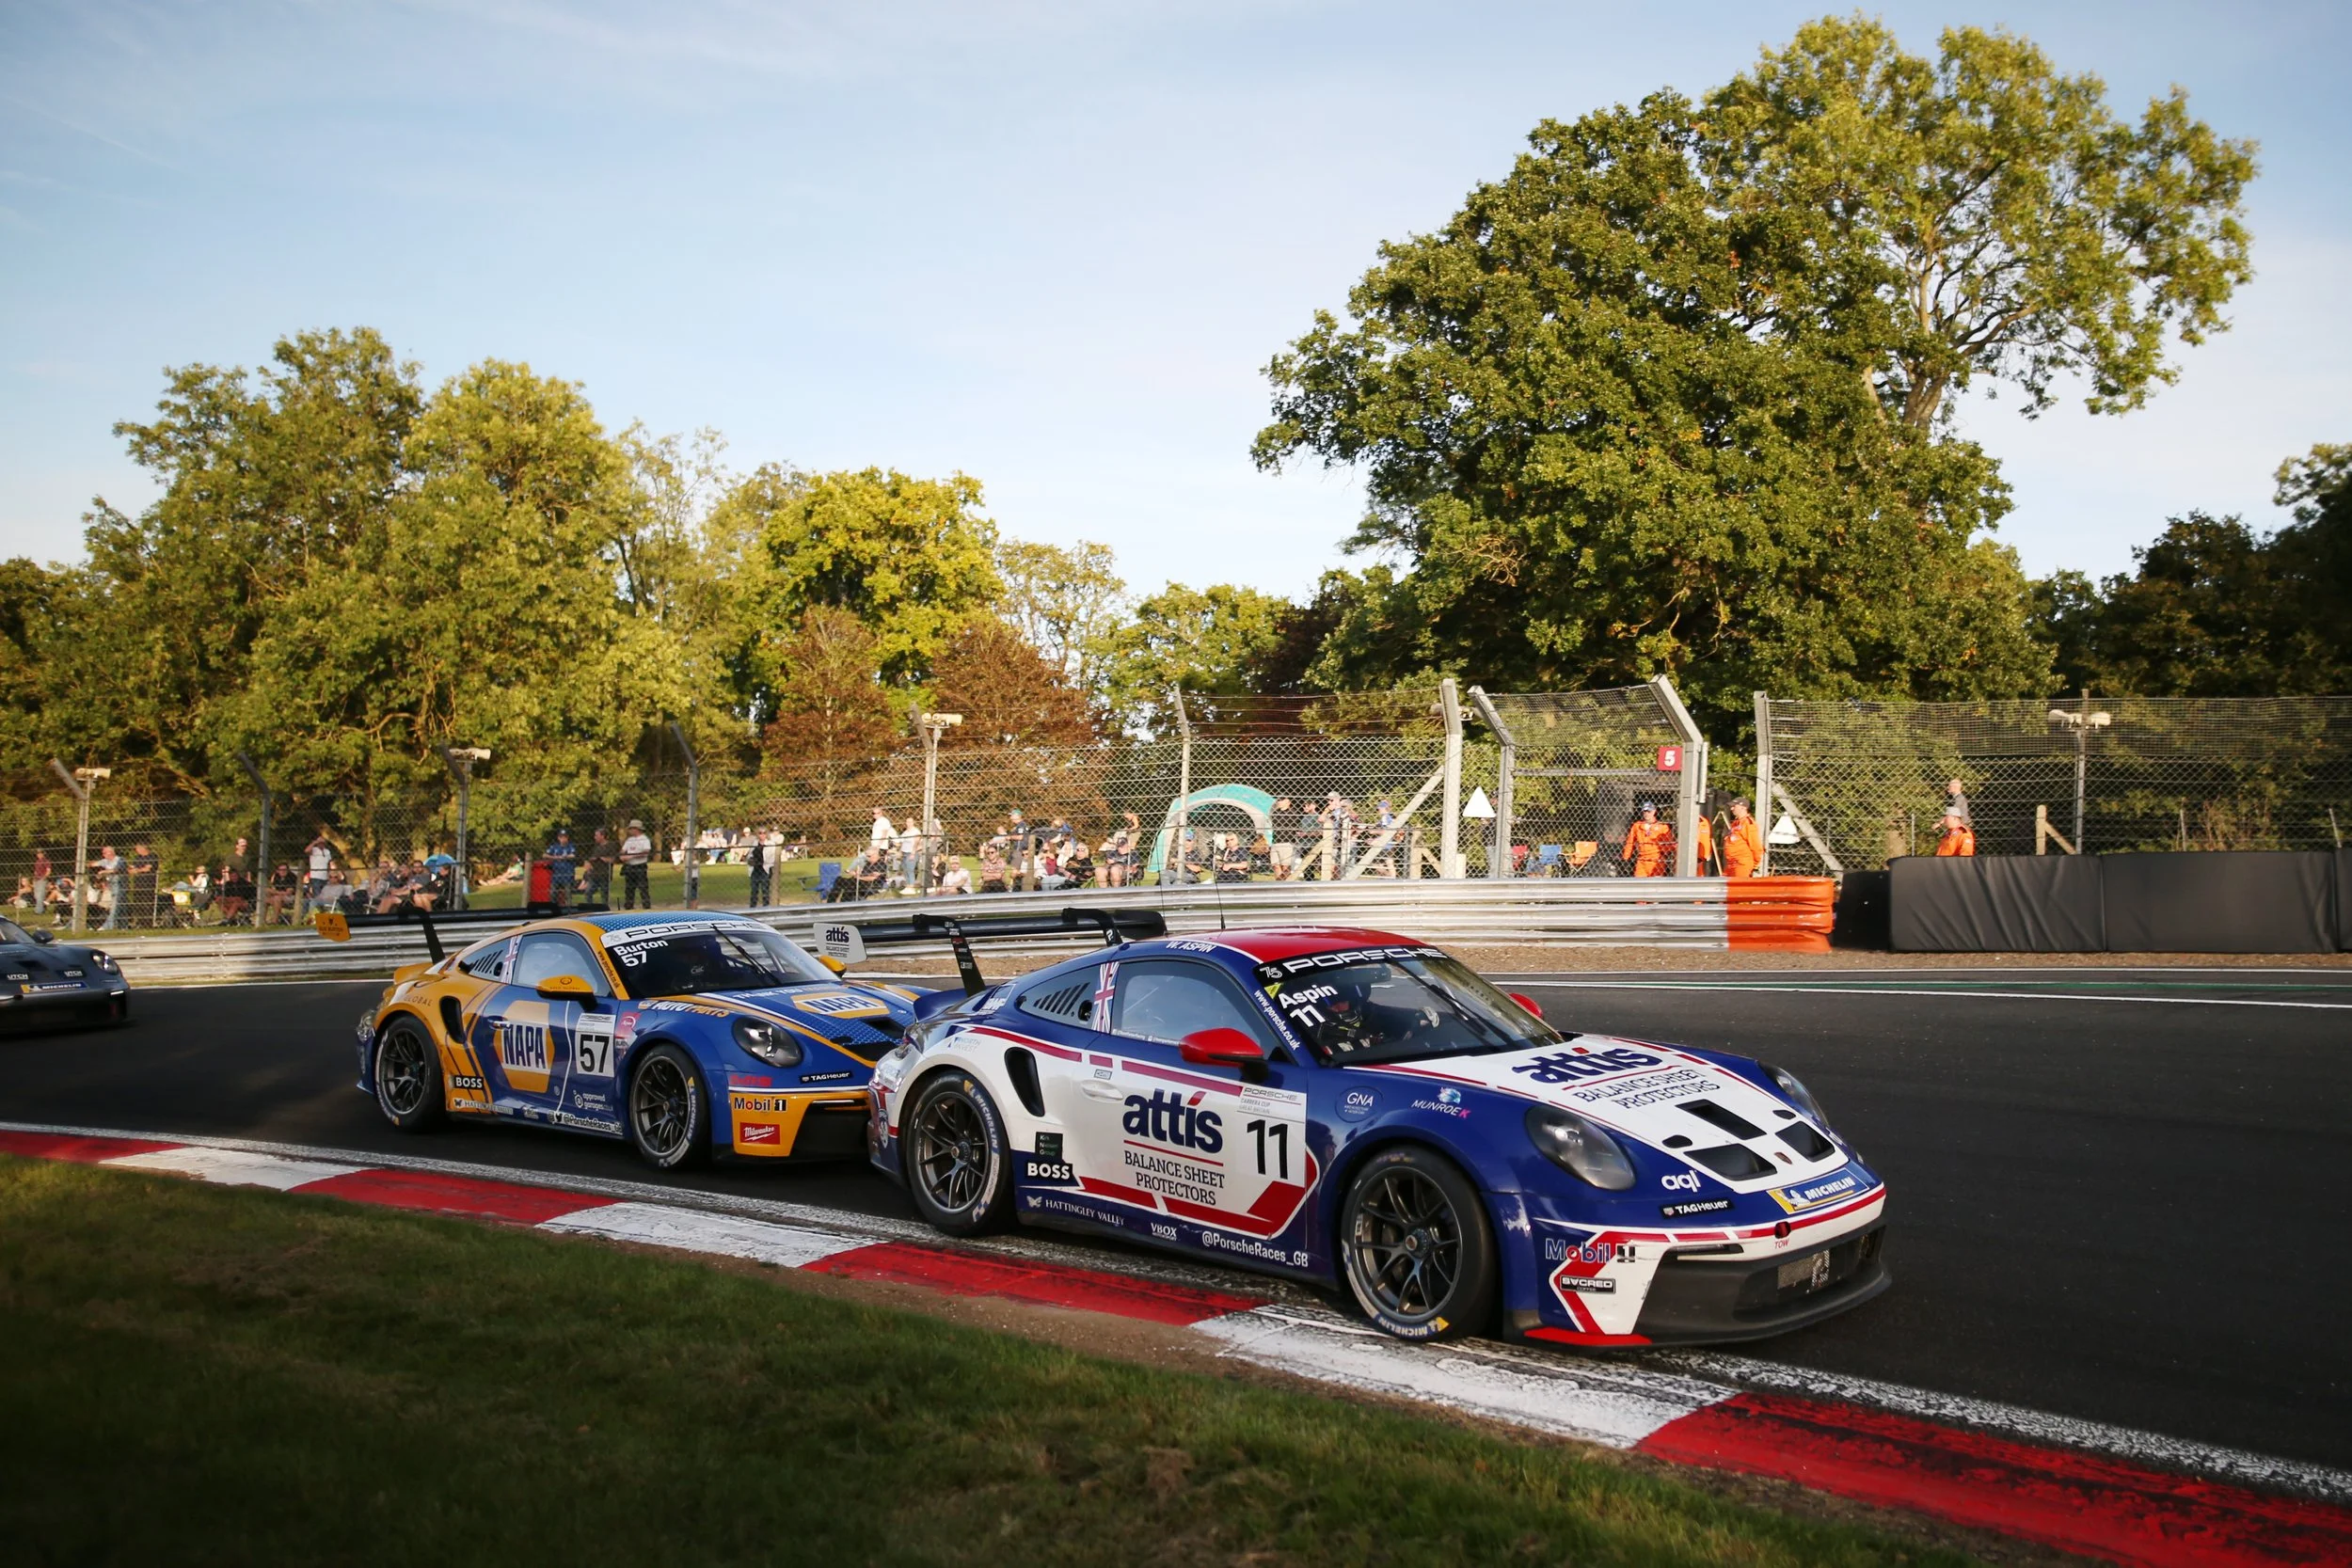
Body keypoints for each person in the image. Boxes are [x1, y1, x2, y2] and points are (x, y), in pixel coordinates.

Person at [1619, 800, 1675, 878]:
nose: (1646, 814)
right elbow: (1630, 842)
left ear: (1654, 812)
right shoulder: (1637, 826)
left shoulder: (1662, 827)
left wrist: (1661, 851)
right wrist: (1626, 857)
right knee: (1639, 884)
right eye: (1644, 811)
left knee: (1655, 885)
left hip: (1656, 860)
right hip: (1642, 859)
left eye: (1649, 811)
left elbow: (1669, 845)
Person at [1721, 799, 1766, 879]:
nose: (1732, 809)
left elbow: (1755, 845)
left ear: (1743, 807)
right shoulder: (1736, 823)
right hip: (1731, 863)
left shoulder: (1748, 823)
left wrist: (1755, 863)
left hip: (1741, 863)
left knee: (1738, 889)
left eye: (1734, 806)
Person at [618, 819, 653, 909]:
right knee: (629, 889)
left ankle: (646, 907)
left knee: (643, 888)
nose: (630, 830)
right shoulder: (630, 840)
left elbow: (645, 852)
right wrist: (622, 856)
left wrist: (631, 857)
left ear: (636, 829)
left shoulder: (644, 839)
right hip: (630, 867)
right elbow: (623, 850)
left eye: (631, 828)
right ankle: (629, 907)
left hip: (640, 866)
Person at [544, 829, 578, 908]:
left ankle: (569, 909)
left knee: (568, 893)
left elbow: (573, 855)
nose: (563, 839)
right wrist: (554, 857)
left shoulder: (570, 846)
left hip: (567, 874)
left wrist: (564, 857)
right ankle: (554, 908)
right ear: (558, 838)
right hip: (556, 874)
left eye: (565, 837)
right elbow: (544, 855)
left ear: (567, 837)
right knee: (553, 893)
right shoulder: (554, 847)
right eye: (561, 837)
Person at [97, 845, 126, 930]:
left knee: (115, 906)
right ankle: (123, 926)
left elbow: (116, 870)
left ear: (111, 853)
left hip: (119, 884)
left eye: (105, 853)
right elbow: (93, 864)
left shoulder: (120, 860)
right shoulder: (105, 861)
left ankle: (107, 926)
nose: (103, 854)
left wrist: (103, 871)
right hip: (110, 886)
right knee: (122, 906)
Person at [305, 832, 335, 913]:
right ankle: (317, 911)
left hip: (324, 876)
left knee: (325, 894)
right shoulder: (314, 850)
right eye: (320, 843)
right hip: (316, 876)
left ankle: (324, 910)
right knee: (317, 895)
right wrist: (315, 842)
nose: (321, 844)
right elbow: (306, 850)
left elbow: (329, 863)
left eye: (323, 842)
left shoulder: (327, 851)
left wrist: (330, 874)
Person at [130, 842, 158, 925]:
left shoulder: (152, 856)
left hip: (148, 883)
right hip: (138, 883)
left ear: (143, 848)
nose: (136, 850)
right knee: (138, 903)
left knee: (147, 903)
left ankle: (147, 922)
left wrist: (138, 870)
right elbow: (132, 867)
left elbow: (148, 869)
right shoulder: (137, 857)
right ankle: (139, 922)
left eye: (137, 849)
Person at [584, 828, 614, 907]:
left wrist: (602, 858)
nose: (595, 837)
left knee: (604, 895)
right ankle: (590, 908)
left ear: (603, 836)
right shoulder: (596, 847)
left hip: (605, 874)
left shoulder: (610, 846)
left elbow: (612, 859)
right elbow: (591, 858)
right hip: (594, 875)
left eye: (596, 835)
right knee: (588, 892)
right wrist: (589, 863)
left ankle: (604, 910)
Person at [745, 829, 772, 907]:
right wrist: (750, 860)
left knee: (765, 890)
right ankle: (753, 907)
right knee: (754, 891)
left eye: (764, 833)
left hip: (765, 869)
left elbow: (771, 858)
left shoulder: (770, 844)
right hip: (755, 870)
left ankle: (766, 907)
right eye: (760, 833)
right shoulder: (754, 843)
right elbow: (750, 855)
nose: (762, 835)